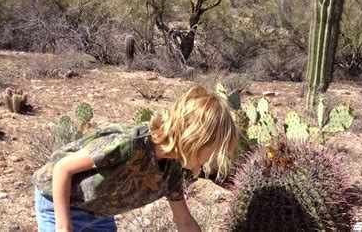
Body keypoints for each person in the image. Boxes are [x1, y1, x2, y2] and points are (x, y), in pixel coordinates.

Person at [32, 85, 238, 232]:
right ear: (195, 138)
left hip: (99, 214)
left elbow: (184, 223)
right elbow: (62, 169)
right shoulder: (129, 144)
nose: (213, 157)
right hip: (58, 201)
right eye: (214, 148)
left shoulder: (172, 171)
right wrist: (63, 227)